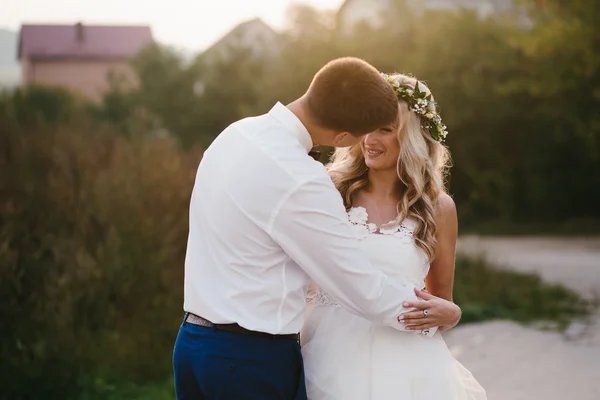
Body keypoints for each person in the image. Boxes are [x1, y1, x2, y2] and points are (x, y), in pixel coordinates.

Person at [172, 58, 435, 400]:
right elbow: (358, 286)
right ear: (342, 137)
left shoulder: (234, 135)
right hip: (249, 361)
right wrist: (429, 313)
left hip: (192, 345)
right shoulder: (301, 178)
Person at [301, 73, 486, 399]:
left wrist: (453, 313)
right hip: (328, 359)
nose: (370, 138)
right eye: (368, 126)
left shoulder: (438, 208)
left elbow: (441, 301)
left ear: (413, 137)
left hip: (408, 370)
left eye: (386, 129)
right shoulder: (331, 189)